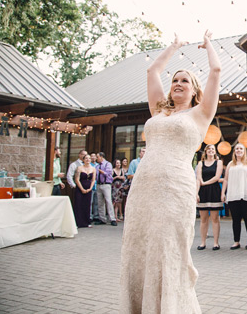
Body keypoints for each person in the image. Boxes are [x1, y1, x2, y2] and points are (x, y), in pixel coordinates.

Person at [121, 30, 219, 313]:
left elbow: (216, 69)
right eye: (175, 80)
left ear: (194, 90)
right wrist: (174, 46)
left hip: (175, 189)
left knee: (168, 248)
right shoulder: (158, 111)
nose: (177, 83)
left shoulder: (200, 114)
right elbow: (153, 69)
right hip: (143, 190)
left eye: (184, 80)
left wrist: (208, 44)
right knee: (140, 247)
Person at [224, 143, 247, 251]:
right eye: (237, 148)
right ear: (234, 151)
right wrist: (223, 193)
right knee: (235, 220)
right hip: (233, 195)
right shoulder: (230, 164)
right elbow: (225, 179)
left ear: (244, 151)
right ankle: (236, 241)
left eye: (241, 148)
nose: (239, 150)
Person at [196, 144, 223, 250]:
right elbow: (198, 178)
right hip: (203, 192)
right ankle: (203, 242)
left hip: (214, 191)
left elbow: (217, 177)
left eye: (213, 149)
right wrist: (196, 193)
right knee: (203, 219)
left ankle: (216, 243)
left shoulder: (219, 162)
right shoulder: (200, 163)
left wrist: (205, 183)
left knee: (215, 218)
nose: (211, 151)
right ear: (205, 152)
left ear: (215, 151)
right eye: (209, 149)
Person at [74, 153, 96, 228]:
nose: (88, 160)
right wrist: (82, 189)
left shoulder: (93, 169)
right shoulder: (79, 168)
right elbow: (77, 180)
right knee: (79, 204)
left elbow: (93, 180)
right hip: (80, 187)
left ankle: (87, 222)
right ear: (83, 160)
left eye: (89, 158)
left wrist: (90, 188)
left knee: (87, 204)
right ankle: (78, 222)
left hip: (88, 188)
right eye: (86, 158)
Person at [94, 152, 117, 226]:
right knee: (100, 202)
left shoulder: (108, 164)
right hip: (98, 184)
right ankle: (102, 218)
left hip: (106, 184)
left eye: (97, 157)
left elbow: (109, 173)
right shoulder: (97, 166)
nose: (96, 159)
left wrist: (102, 172)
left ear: (101, 157)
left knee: (108, 201)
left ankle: (112, 218)